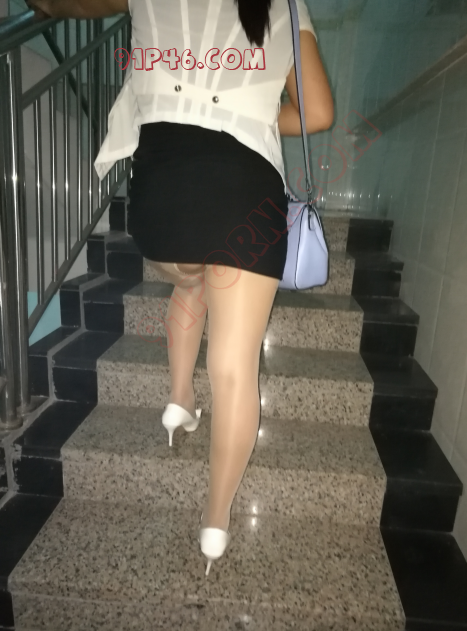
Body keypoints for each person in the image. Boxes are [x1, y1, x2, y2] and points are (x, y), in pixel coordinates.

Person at [28, 0, 334, 577]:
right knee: (235, 367)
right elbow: (317, 112)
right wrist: (257, 113)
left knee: (193, 277)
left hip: (162, 201)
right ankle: (215, 522)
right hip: (246, 193)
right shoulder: (287, 4)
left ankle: (179, 400)